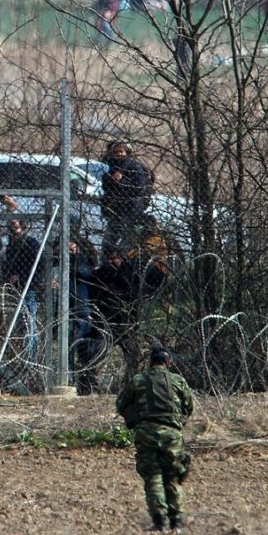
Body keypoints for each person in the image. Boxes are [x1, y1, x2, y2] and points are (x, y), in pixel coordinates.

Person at [116, 345, 194, 533]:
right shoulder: (178, 381)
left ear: (150, 362)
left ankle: (159, 522)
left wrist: (134, 418)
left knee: (153, 477)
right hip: (171, 434)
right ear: (169, 363)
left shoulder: (138, 381)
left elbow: (121, 404)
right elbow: (188, 408)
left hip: (146, 433)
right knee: (172, 478)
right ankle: (176, 523)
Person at [91, 246, 143, 388]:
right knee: (100, 354)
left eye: (114, 258)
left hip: (125, 323)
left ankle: (131, 383)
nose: (111, 261)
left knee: (133, 355)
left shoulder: (130, 274)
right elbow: (96, 292)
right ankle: (94, 384)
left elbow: (133, 293)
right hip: (107, 321)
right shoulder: (102, 274)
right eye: (109, 259)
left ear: (121, 259)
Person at [4, 218, 44, 362]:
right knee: (20, 324)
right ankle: (22, 357)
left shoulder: (30, 243)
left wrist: (20, 277)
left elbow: (38, 265)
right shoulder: (11, 246)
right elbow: (7, 266)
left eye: (15, 227)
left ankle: (31, 358)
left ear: (23, 228)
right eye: (11, 227)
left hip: (29, 287)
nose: (13, 230)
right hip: (16, 289)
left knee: (28, 322)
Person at [67, 237, 103, 394]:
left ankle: (86, 382)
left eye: (71, 246)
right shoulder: (59, 262)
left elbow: (84, 274)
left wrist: (73, 259)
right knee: (70, 345)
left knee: (83, 345)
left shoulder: (84, 262)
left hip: (83, 308)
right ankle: (69, 378)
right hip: (69, 308)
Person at [101, 141, 152, 251]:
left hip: (131, 210)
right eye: (115, 152)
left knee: (126, 241)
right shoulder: (112, 166)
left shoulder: (135, 167)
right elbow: (106, 187)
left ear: (127, 152)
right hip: (115, 210)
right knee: (109, 242)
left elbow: (139, 188)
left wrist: (121, 180)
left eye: (121, 151)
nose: (118, 154)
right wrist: (110, 179)